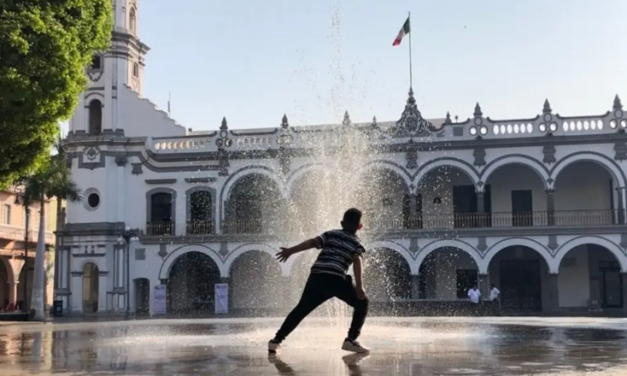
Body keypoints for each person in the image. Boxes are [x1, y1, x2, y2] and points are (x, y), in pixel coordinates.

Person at [268, 208, 370, 354]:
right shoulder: (356, 243)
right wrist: (359, 286)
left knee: (301, 309)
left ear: (342, 223)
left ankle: (276, 341)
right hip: (336, 278)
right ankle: (351, 340)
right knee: (362, 302)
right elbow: (357, 260)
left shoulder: (331, 234)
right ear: (360, 226)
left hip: (317, 277)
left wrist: (290, 251)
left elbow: (312, 242)